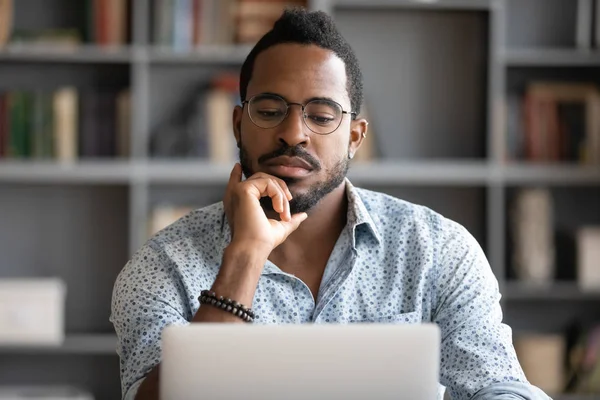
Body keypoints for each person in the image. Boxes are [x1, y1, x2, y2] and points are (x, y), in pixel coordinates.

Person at [110, 8, 551, 400]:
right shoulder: (161, 266)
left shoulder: (439, 251)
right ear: (238, 125)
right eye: (269, 110)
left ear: (355, 137)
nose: (294, 133)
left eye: (321, 116)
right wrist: (243, 259)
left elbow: (499, 387)